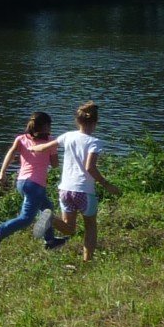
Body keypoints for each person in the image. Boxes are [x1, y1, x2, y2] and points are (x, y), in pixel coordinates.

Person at [0, 111, 69, 255]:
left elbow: (10, 154)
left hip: (22, 182)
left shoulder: (21, 139)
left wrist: (2, 173)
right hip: (35, 185)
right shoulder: (50, 141)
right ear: (45, 126)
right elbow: (55, 164)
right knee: (26, 219)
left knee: (47, 208)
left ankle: (50, 241)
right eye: (49, 125)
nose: (51, 128)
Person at [52, 101, 115, 261]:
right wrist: (106, 184)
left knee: (69, 228)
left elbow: (46, 147)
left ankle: (50, 219)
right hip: (84, 191)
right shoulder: (94, 142)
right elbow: (90, 167)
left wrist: (32, 148)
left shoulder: (67, 136)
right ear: (95, 123)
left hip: (65, 190)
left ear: (77, 121)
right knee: (90, 226)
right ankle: (87, 261)